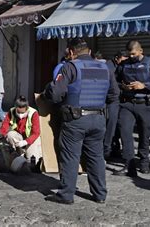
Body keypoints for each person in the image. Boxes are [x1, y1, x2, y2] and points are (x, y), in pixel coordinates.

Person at [42, 38, 119, 205]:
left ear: (71, 52)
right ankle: (100, 194)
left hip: (76, 120)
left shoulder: (69, 67)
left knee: (70, 156)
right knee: (96, 157)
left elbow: (55, 95)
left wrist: (48, 90)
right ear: (89, 52)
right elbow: (114, 95)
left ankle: (66, 195)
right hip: (98, 119)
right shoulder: (105, 67)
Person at [113, 42, 150, 176]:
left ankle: (144, 162)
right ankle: (129, 165)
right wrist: (123, 86)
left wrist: (144, 86)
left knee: (144, 134)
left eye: (133, 54)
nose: (131, 56)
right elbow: (114, 81)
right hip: (127, 104)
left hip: (145, 104)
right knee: (125, 132)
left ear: (141, 50)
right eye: (129, 54)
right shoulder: (123, 65)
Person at [0, 96, 41, 161]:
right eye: (18, 112)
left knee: (32, 158)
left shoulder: (34, 113)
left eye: (22, 113)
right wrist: (1, 135)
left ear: (27, 109)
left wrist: (26, 142)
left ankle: (29, 154)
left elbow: (36, 133)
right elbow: (5, 125)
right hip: (20, 136)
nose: (20, 115)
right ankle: (19, 153)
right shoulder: (12, 111)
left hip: (32, 138)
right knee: (10, 134)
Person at [103, 50, 128, 159]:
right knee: (110, 125)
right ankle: (106, 150)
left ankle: (115, 148)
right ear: (117, 58)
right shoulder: (108, 67)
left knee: (118, 127)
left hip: (121, 100)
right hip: (112, 101)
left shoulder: (123, 66)